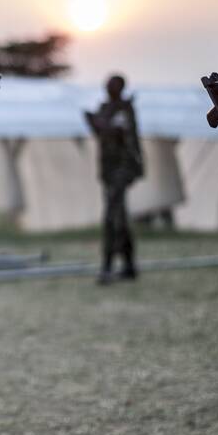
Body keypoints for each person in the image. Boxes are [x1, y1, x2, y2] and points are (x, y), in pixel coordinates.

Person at [85, 75, 144, 283]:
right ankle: (128, 266)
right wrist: (94, 121)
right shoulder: (107, 108)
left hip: (122, 168)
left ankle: (107, 266)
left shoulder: (124, 109)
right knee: (118, 215)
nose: (109, 89)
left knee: (111, 215)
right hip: (109, 169)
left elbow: (120, 132)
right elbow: (99, 131)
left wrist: (100, 122)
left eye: (113, 86)